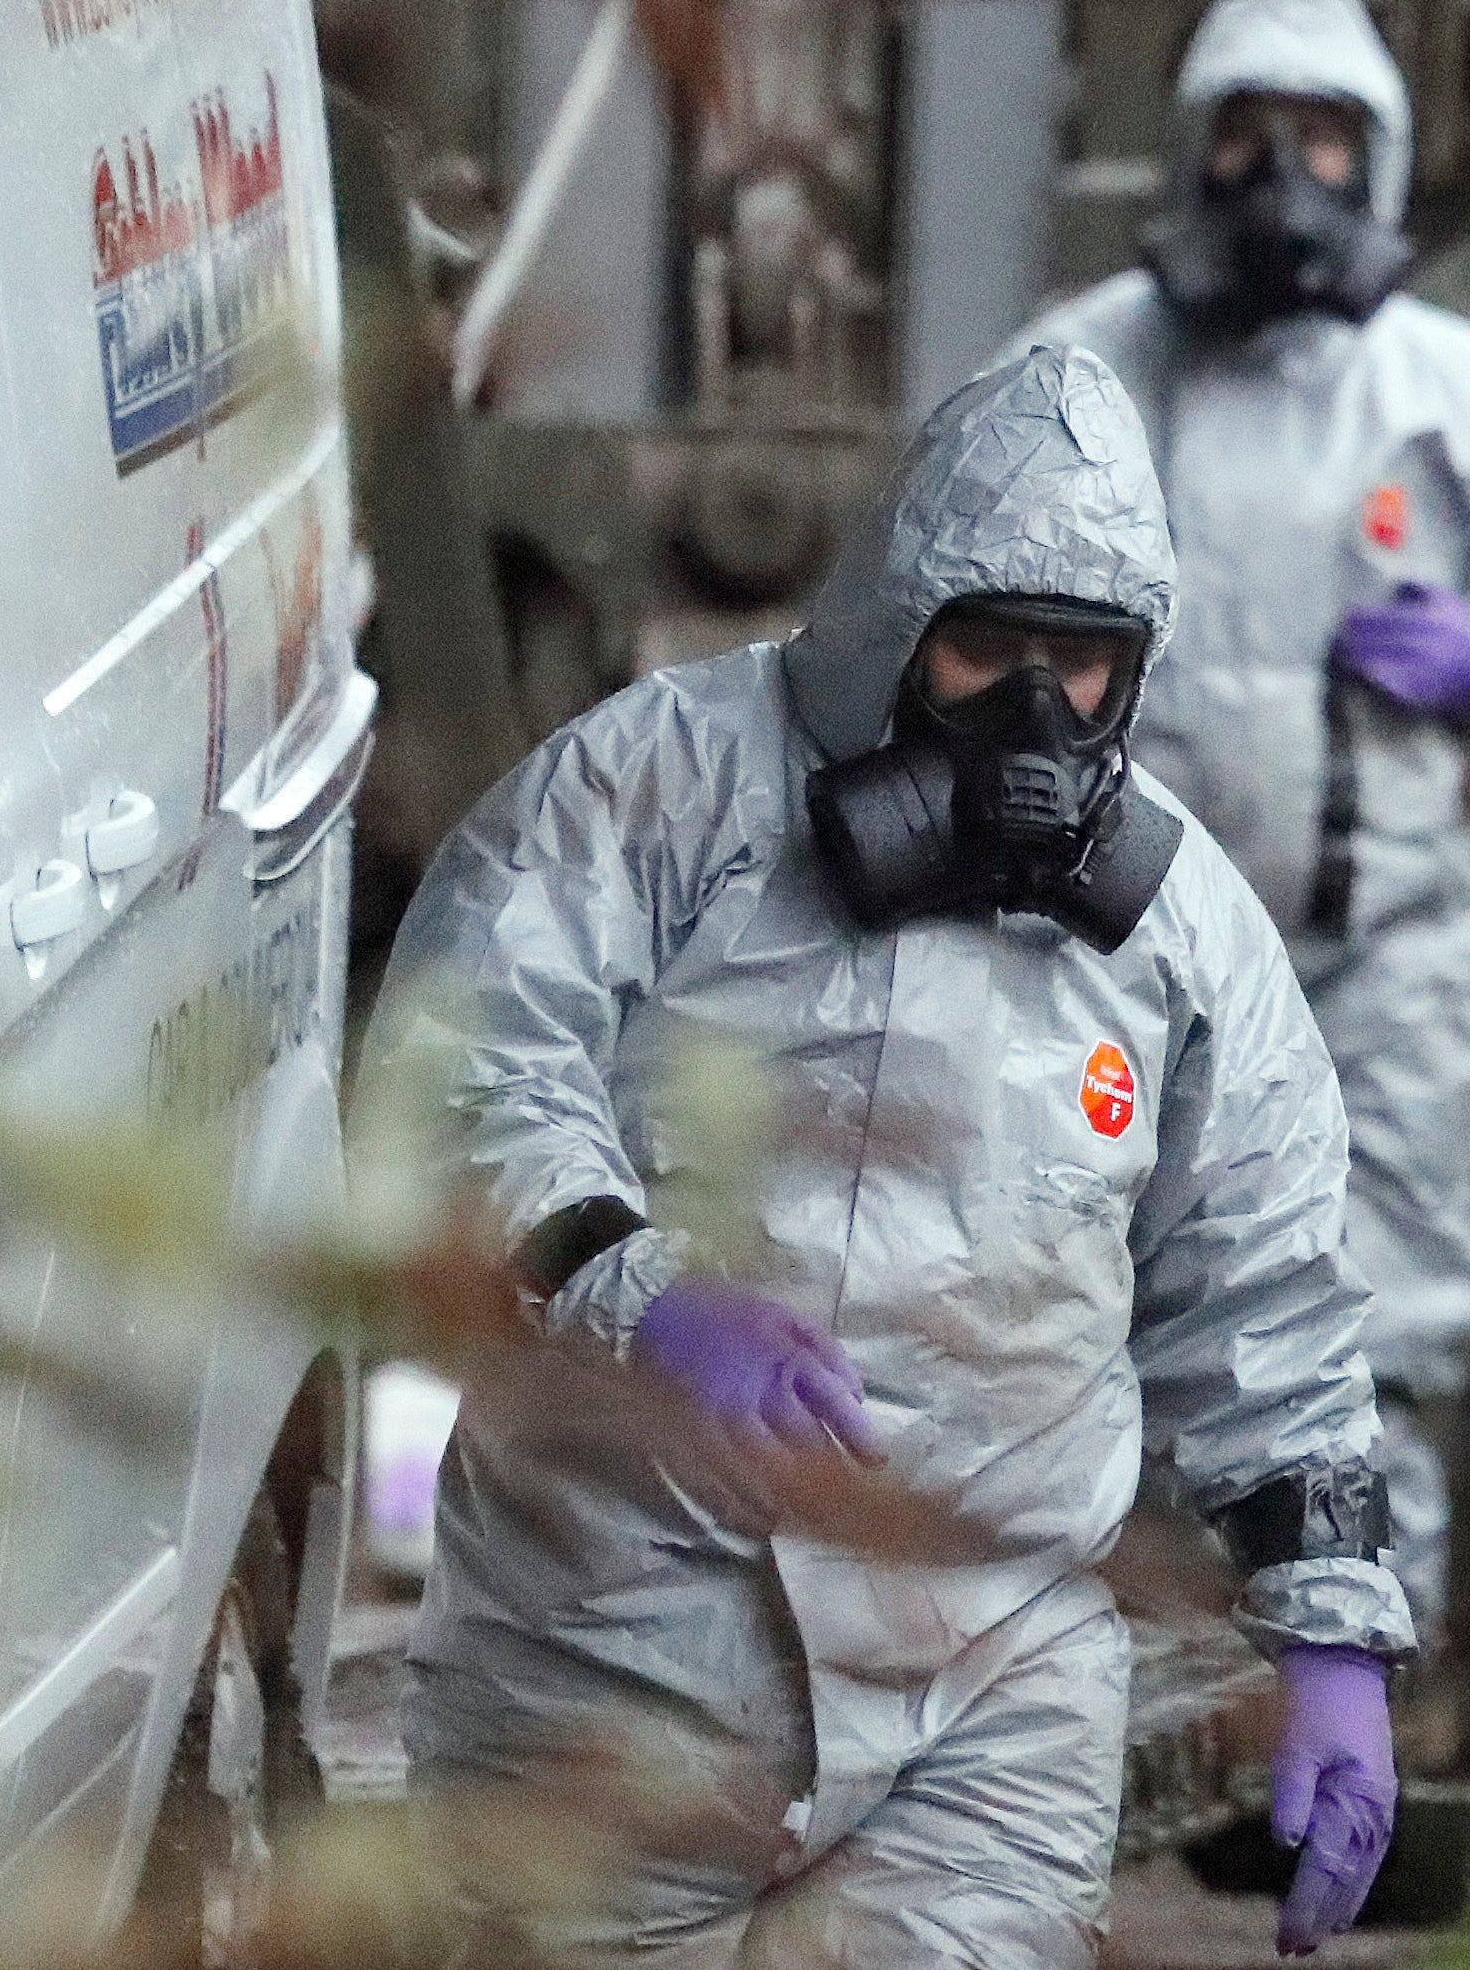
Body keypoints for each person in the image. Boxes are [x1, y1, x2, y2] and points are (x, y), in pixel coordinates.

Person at [366, 344, 1415, 1968]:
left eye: (1079, 663)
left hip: (988, 1700)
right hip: (615, 1659)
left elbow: (1261, 1280)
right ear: (887, 627)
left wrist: (1332, 1630)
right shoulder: (655, 791)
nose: (1030, 708)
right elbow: (460, 1059)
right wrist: (630, 1286)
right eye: (982, 644)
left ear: (1135, 671)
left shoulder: (1183, 933)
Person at [1005, 0, 1470, 1631]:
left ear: (1386, 150)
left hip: (1382, 945)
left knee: (1374, 1319)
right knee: (1090, 1288)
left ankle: (1353, 1693)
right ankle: (1120, 1693)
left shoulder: (1469, 401)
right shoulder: (1076, 376)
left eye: (1324, 135)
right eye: (1248, 131)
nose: (1283, 175)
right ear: (1189, 144)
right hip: (1115, 944)